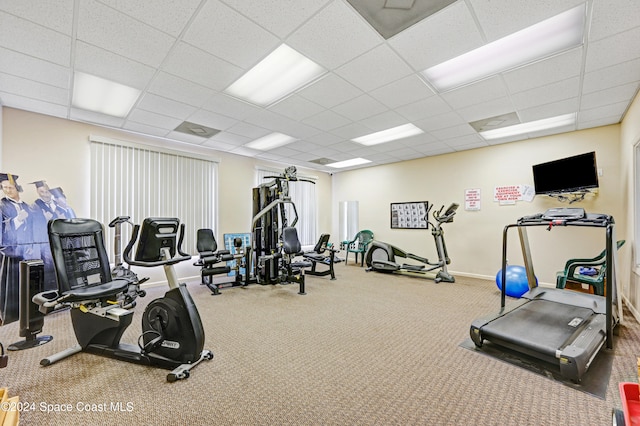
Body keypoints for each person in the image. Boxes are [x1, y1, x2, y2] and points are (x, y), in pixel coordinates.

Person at [0, 173, 36, 325]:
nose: (8, 190)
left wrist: (31, 245)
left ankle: (27, 314)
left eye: (10, 187)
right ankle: (10, 317)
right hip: (10, 252)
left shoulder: (26, 206)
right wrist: (17, 220)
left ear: (17, 188)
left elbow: (34, 229)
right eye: (4, 187)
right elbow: (2, 228)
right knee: (12, 285)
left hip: (26, 251)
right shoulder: (2, 206)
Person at [30, 181, 64, 291]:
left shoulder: (57, 203)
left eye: (46, 191)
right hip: (46, 243)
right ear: (37, 192)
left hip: (59, 241)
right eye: (41, 192)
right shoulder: (35, 206)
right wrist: (46, 219)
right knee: (50, 268)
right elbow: (35, 226)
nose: (45, 194)